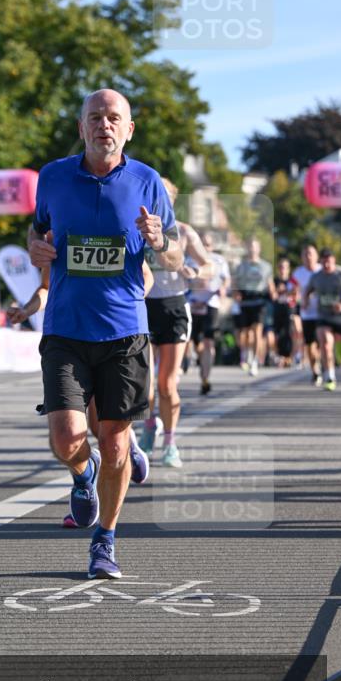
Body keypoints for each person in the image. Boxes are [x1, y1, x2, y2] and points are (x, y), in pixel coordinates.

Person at [29, 88, 181, 580]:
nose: (104, 125)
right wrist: (35, 248)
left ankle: (105, 540)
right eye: (95, 117)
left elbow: (176, 255)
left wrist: (159, 242)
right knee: (66, 436)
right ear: (81, 127)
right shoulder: (52, 177)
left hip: (124, 331)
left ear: (129, 129)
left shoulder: (147, 181)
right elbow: (38, 233)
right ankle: (82, 473)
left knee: (115, 443)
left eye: (114, 118)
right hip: (67, 327)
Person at [7, 256, 155, 526]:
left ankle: (126, 445)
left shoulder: (111, 223)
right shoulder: (58, 226)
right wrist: (27, 310)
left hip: (113, 337)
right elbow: (46, 286)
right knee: (67, 436)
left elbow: (146, 276)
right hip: (69, 339)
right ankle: (85, 475)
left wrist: (122, 305)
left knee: (103, 430)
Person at [138, 179, 213, 468]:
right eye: (156, 195)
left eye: (166, 196)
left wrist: (194, 270)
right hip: (143, 307)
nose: (161, 201)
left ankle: (169, 442)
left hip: (174, 307)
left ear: (173, 200)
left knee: (167, 384)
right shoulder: (138, 229)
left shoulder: (183, 232)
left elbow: (209, 265)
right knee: (145, 383)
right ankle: (148, 428)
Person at [186, 232, 230, 394]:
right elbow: (185, 281)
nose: (206, 248)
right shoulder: (189, 259)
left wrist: (224, 288)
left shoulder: (219, 260)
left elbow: (226, 279)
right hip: (193, 304)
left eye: (209, 245)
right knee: (194, 343)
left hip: (211, 303)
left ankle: (205, 378)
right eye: (203, 244)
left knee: (209, 342)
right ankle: (197, 359)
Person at [303, 248, 341, 392]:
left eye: (329, 261)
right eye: (324, 262)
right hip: (324, 315)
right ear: (320, 261)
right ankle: (330, 377)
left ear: (334, 260)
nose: (327, 265)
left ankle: (340, 358)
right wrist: (305, 301)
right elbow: (307, 291)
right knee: (326, 344)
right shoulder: (316, 277)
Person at [232, 237, 275, 377]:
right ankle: (247, 353)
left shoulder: (266, 266)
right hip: (245, 301)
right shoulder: (241, 266)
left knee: (257, 331)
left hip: (259, 301)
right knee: (245, 334)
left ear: (259, 249)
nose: (252, 249)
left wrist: (273, 293)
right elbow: (234, 283)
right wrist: (236, 293)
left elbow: (270, 283)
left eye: (254, 247)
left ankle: (255, 362)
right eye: (249, 247)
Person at [292, 244, 323, 385]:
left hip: (323, 313)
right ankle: (315, 371)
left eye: (311, 253)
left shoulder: (323, 270)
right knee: (310, 344)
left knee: (323, 342)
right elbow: (292, 292)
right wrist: (299, 298)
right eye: (305, 254)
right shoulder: (297, 274)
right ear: (302, 258)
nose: (308, 257)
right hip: (307, 314)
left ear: (316, 256)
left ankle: (323, 364)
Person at [271, 257, 298, 367]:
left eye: (285, 267)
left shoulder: (292, 281)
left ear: (288, 269)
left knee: (289, 333)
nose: (283, 269)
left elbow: (296, 295)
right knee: (277, 333)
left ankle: (289, 357)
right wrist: (278, 290)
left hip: (289, 309)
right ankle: (280, 356)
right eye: (281, 267)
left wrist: (288, 291)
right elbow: (273, 295)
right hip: (277, 308)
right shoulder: (275, 281)